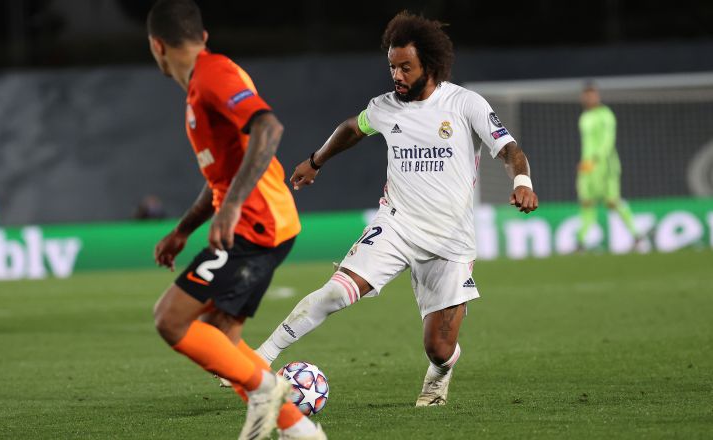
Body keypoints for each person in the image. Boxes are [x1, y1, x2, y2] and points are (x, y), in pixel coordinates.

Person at [256, 11, 539, 407]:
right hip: (397, 224)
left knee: (438, 348)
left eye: (406, 67)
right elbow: (353, 129)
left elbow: (508, 149)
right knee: (335, 293)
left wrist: (521, 181)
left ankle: (440, 373)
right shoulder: (386, 107)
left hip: (450, 238)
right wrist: (316, 161)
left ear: (431, 65)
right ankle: (258, 359)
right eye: (392, 67)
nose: (397, 75)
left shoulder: (464, 104)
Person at [145, 1, 326, 439]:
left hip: (255, 224)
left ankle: (267, 389)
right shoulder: (199, 90)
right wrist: (184, 229)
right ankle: (300, 432)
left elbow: (269, 128)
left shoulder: (214, 75)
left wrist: (231, 207)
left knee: (171, 320)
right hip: (261, 223)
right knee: (220, 338)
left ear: (157, 46)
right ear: (202, 36)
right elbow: (222, 178)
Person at [576, 83, 640, 250]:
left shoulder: (606, 115)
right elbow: (587, 145)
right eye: (586, 95)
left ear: (597, 96)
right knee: (587, 202)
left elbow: (608, 141)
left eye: (592, 95)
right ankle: (580, 243)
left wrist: (595, 160)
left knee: (612, 202)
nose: (589, 98)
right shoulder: (584, 117)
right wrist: (585, 162)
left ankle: (637, 236)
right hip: (587, 167)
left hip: (606, 166)